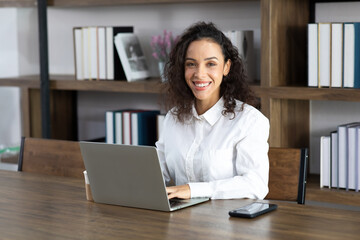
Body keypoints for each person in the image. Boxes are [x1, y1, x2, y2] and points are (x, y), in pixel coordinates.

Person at [156, 22, 269, 200]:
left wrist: (193, 190)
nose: (199, 74)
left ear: (226, 67)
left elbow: (256, 185)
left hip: (228, 224)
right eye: (191, 64)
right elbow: (157, 173)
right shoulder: (172, 118)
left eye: (211, 64)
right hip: (179, 222)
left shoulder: (250, 121)